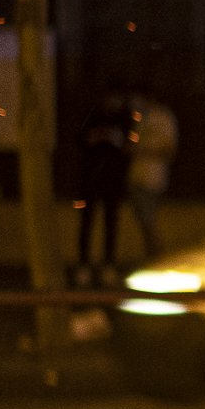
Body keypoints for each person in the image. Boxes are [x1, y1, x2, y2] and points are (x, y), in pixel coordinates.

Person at [71, 92, 133, 279]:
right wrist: (96, 137)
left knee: (110, 223)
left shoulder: (124, 119)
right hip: (90, 178)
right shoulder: (92, 116)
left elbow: (129, 147)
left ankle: (108, 265)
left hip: (112, 180)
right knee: (87, 223)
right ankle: (83, 265)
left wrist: (118, 141)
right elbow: (80, 139)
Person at [126, 82, 181, 264]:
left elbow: (169, 149)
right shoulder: (140, 117)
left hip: (154, 177)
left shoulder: (164, 117)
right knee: (143, 220)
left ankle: (157, 257)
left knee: (149, 220)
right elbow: (132, 143)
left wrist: (146, 150)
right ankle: (153, 257)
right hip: (137, 176)